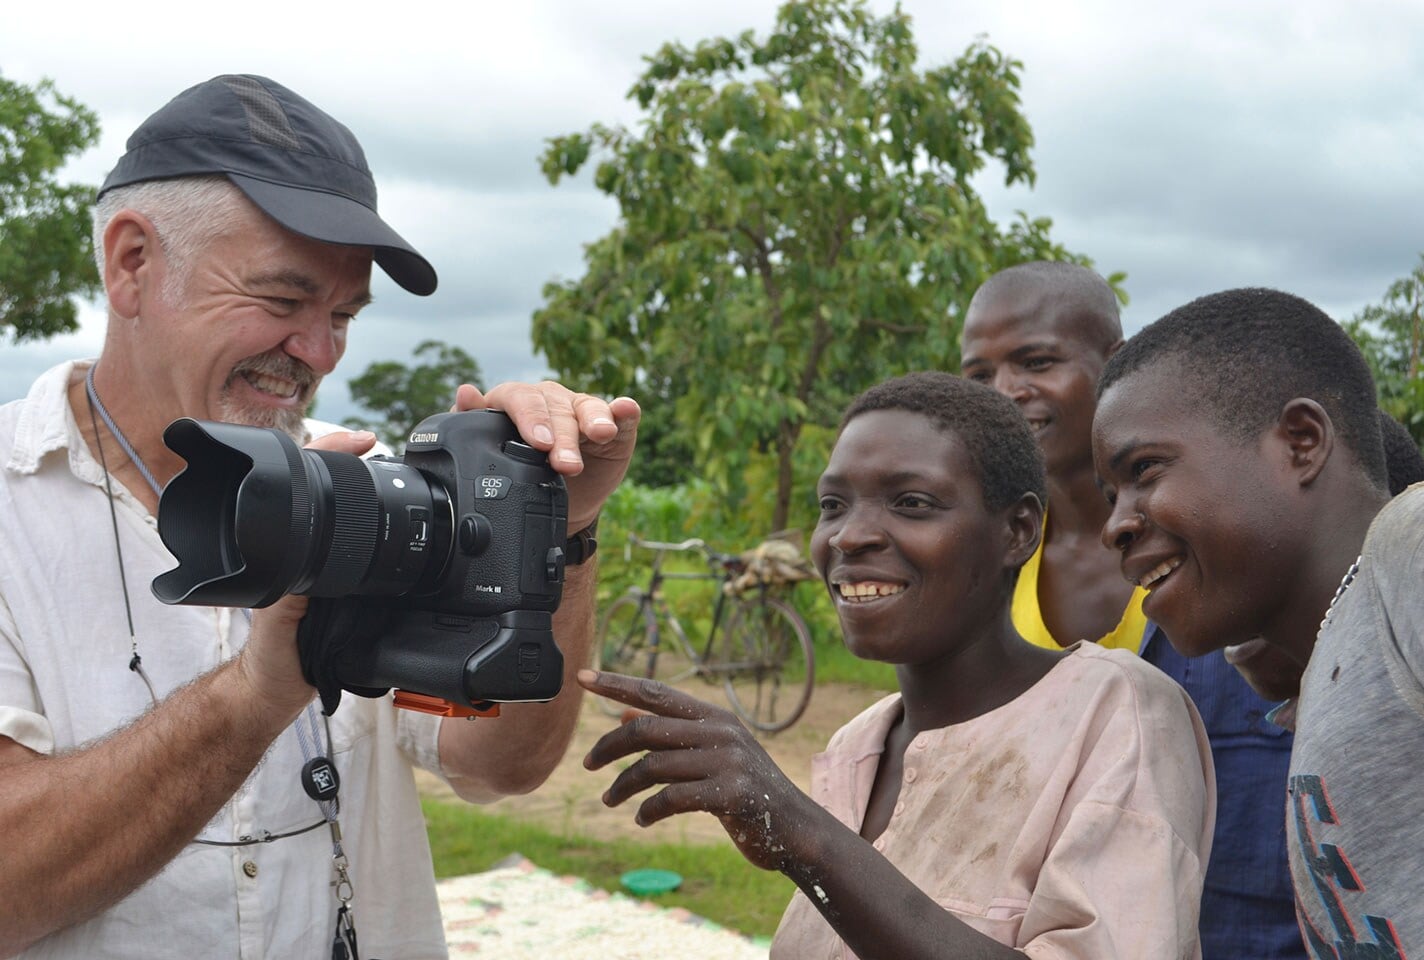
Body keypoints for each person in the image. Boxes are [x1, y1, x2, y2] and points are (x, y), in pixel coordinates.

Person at [0, 75, 639, 958]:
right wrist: (257, 695)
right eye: (282, 300)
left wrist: (555, 532)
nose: (319, 353)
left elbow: (505, 765)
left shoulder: (372, 492)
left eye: (342, 314)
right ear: (132, 263)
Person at [580, 371, 1215, 959]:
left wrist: (802, 832)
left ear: (1018, 531)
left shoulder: (1120, 713)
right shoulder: (858, 745)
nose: (849, 536)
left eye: (911, 503)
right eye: (832, 505)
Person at [960, 262, 1304, 959]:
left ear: (1116, 363)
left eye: (1036, 361)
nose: (1006, 393)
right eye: (979, 375)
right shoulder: (980, 566)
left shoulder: (1232, 555)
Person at [1091, 287, 1419, 955]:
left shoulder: (1409, 550)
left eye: (1145, 469)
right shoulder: (1328, 674)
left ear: (1300, 442)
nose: (1114, 526)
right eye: (1110, 494)